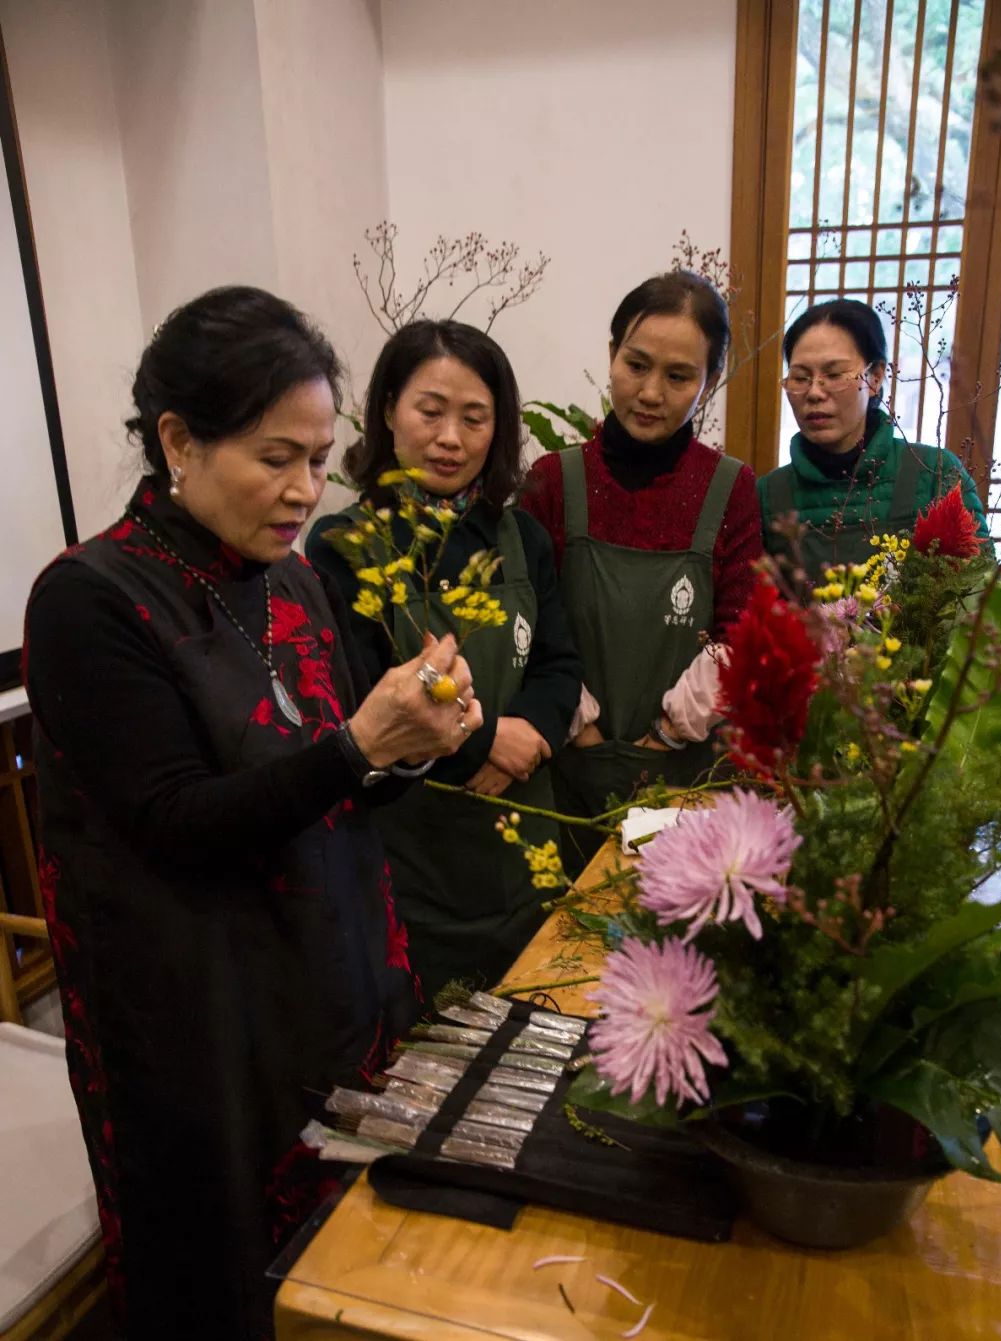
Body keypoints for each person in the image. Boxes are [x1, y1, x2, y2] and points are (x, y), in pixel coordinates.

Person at [23, 287, 484, 1341]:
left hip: (329, 976)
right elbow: (177, 820)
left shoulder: (289, 579)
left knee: (353, 1276)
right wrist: (360, 743)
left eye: (320, 460)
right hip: (201, 1022)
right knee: (226, 1281)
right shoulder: (90, 599)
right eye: (277, 458)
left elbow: (329, 777)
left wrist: (409, 747)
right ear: (178, 440)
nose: (306, 490)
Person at [307, 320, 581, 1002]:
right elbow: (361, 701)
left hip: (525, 843)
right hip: (417, 855)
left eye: (474, 418)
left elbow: (558, 663)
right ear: (389, 411)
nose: (450, 437)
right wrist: (488, 738)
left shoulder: (521, 536)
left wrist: (530, 735)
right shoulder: (345, 546)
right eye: (430, 412)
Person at [519, 271, 762, 872]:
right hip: (569, 769)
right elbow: (527, 622)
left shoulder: (730, 488)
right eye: (636, 365)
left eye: (678, 376)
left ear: (708, 383)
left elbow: (741, 629)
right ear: (611, 356)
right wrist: (583, 732)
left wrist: (669, 736)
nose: (651, 392)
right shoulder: (554, 482)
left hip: (690, 775)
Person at [758, 298, 989, 591]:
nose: (814, 392)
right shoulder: (769, 494)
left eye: (834, 375)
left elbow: (977, 597)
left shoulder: (934, 474)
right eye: (801, 378)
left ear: (875, 377)